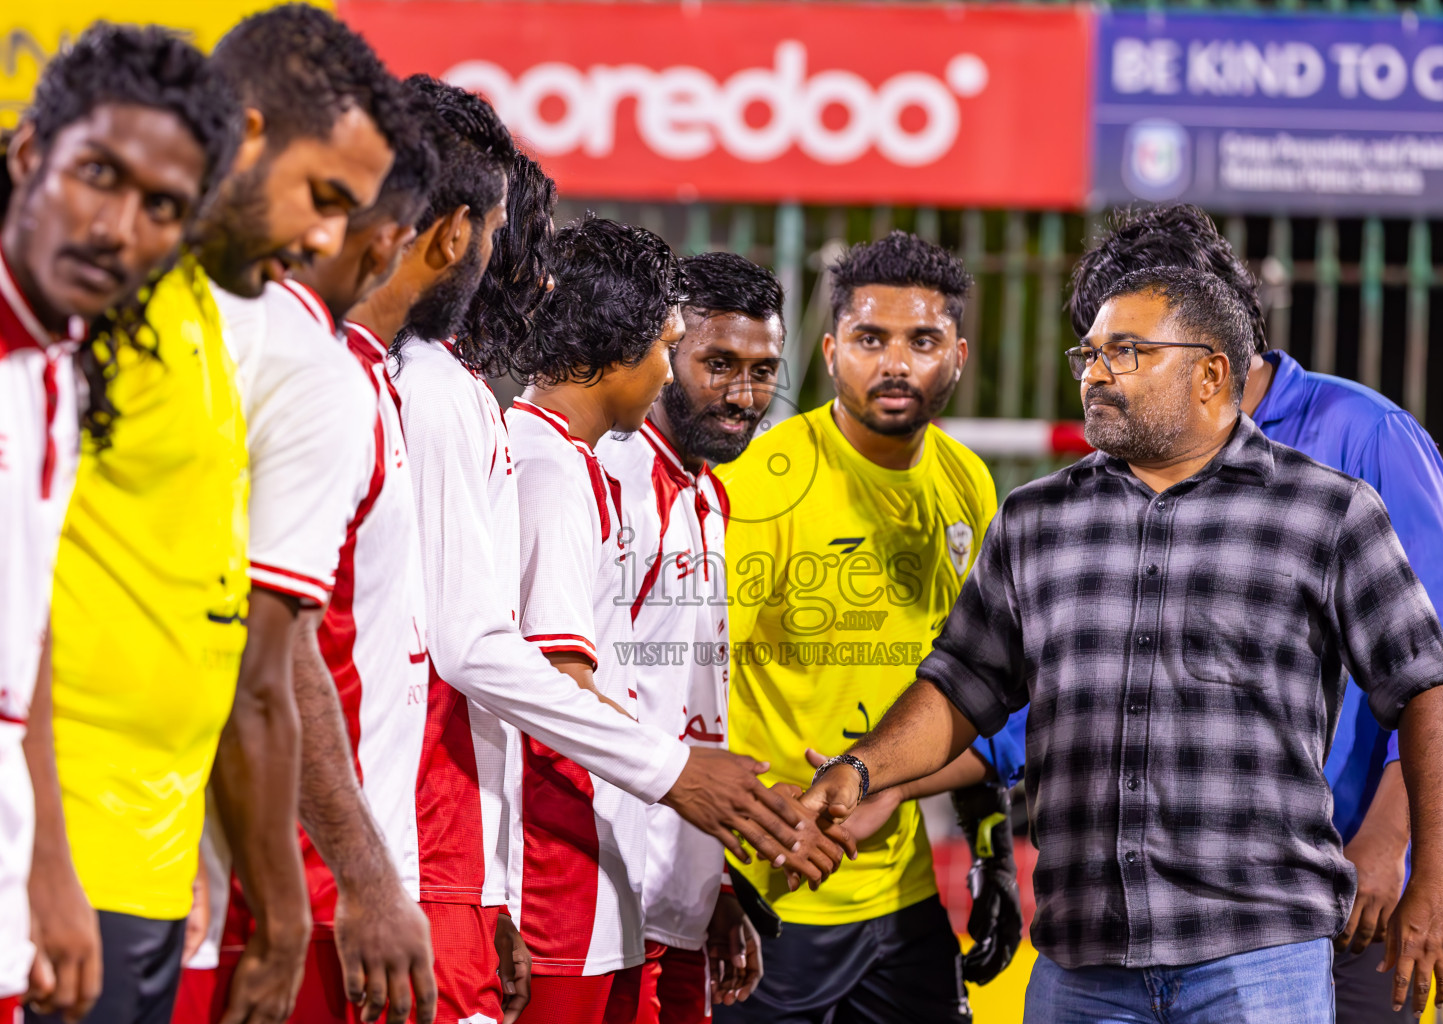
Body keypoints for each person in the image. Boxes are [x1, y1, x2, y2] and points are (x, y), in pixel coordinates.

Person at [804, 266, 1443, 1023]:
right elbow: (960, 688)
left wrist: (1436, 874)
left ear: (1211, 373)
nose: (1095, 373)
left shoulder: (1327, 512)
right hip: (1082, 966)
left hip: (1259, 964)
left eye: (1126, 352)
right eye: (1087, 353)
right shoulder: (1036, 520)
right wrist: (862, 769)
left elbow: (1429, 688)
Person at [374, 81, 842, 1024]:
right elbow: (519, 671)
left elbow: (656, 697)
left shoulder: (690, 491)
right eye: (687, 351)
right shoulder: (528, 448)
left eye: (764, 371)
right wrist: (680, 783)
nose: (713, 383)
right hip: (530, 869)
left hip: (599, 872)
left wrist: (708, 865)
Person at [1016, 203, 1443, 1021]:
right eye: (1102, 347)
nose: (1106, 372)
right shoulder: (1131, 460)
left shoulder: (1363, 435)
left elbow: (1442, 667)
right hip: (1155, 915)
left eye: (1132, 347)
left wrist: (1390, 841)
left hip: (1342, 890)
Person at [168, 9, 424, 1024]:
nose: (327, 236)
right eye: (323, 196)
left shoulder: (246, 342)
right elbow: (263, 659)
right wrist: (300, 900)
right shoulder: (287, 363)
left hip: (139, 851)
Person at [1, 24, 235, 1023]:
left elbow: (25, 628)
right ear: (29, 154)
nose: (117, 228)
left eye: (161, 209)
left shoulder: (60, 369)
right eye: (98, 173)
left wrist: (46, 859)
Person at [714, 231, 994, 1024]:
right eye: (872, 339)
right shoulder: (764, 484)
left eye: (923, 340)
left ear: (959, 355)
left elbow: (984, 692)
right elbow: (683, 693)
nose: (896, 363)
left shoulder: (967, 482)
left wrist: (985, 836)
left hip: (903, 896)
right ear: (833, 350)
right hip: (771, 890)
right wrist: (769, 821)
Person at [505, 214, 690, 1022]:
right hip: (554, 860)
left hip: (599, 852)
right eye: (666, 346)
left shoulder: (566, 456)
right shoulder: (544, 468)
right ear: (613, 351)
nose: (670, 374)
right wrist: (690, 779)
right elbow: (559, 682)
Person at [596, 251, 786, 1022]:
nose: (745, 395)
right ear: (665, 348)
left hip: (676, 893)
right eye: (718, 364)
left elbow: (682, 707)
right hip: (601, 898)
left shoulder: (709, 492)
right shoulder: (609, 474)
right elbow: (560, 696)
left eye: (764, 369)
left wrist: (714, 886)